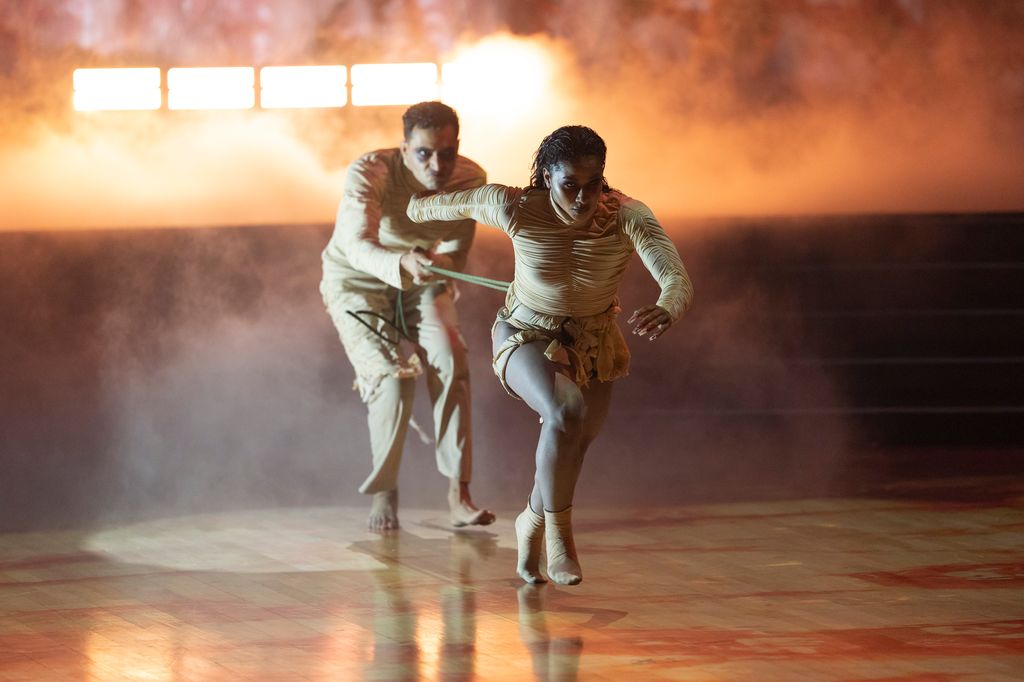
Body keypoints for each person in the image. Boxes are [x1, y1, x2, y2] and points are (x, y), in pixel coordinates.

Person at [407, 125, 693, 584]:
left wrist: (667, 307)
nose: (583, 198)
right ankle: (561, 542)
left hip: (595, 340)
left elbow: (675, 277)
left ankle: (533, 521)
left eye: (593, 184)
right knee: (566, 411)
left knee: (573, 445)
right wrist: (406, 233)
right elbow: (433, 205)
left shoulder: (628, 215)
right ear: (545, 175)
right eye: (570, 185)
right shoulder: (515, 206)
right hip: (525, 331)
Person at [320, 101, 495, 531]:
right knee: (392, 380)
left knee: (451, 358)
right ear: (403, 150)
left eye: (447, 153)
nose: (437, 165)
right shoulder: (370, 171)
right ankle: (385, 489)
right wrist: (402, 261)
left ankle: (460, 493)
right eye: (424, 154)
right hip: (358, 280)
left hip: (423, 275)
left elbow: (457, 246)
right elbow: (356, 244)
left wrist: (443, 267)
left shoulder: (471, 178)